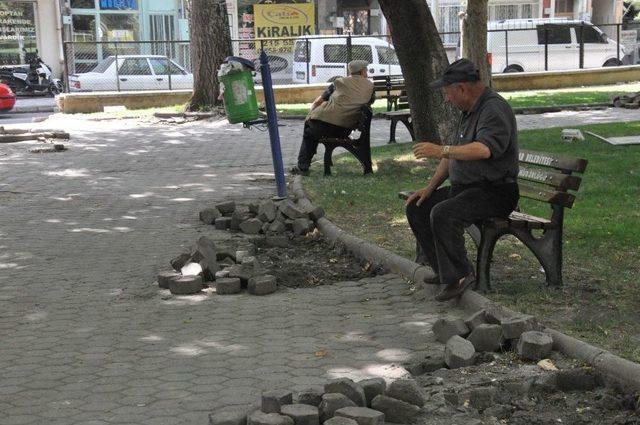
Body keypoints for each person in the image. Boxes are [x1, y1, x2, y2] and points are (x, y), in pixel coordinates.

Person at [405, 58, 519, 302]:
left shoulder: (493, 109)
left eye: (448, 93)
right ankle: (445, 272)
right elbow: (453, 155)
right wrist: (429, 188)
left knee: (444, 213)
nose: (447, 99)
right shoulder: (467, 112)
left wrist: (441, 149)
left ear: (462, 89)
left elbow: (483, 150)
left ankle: (462, 274)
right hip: (468, 189)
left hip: (495, 192)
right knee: (418, 206)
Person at [290, 60, 374, 176]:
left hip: (324, 126)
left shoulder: (339, 82)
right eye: (366, 70)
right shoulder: (370, 86)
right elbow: (370, 101)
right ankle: (306, 160)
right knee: (311, 128)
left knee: (310, 129)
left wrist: (312, 110)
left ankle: (303, 165)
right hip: (345, 129)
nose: (367, 72)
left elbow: (320, 100)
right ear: (362, 71)